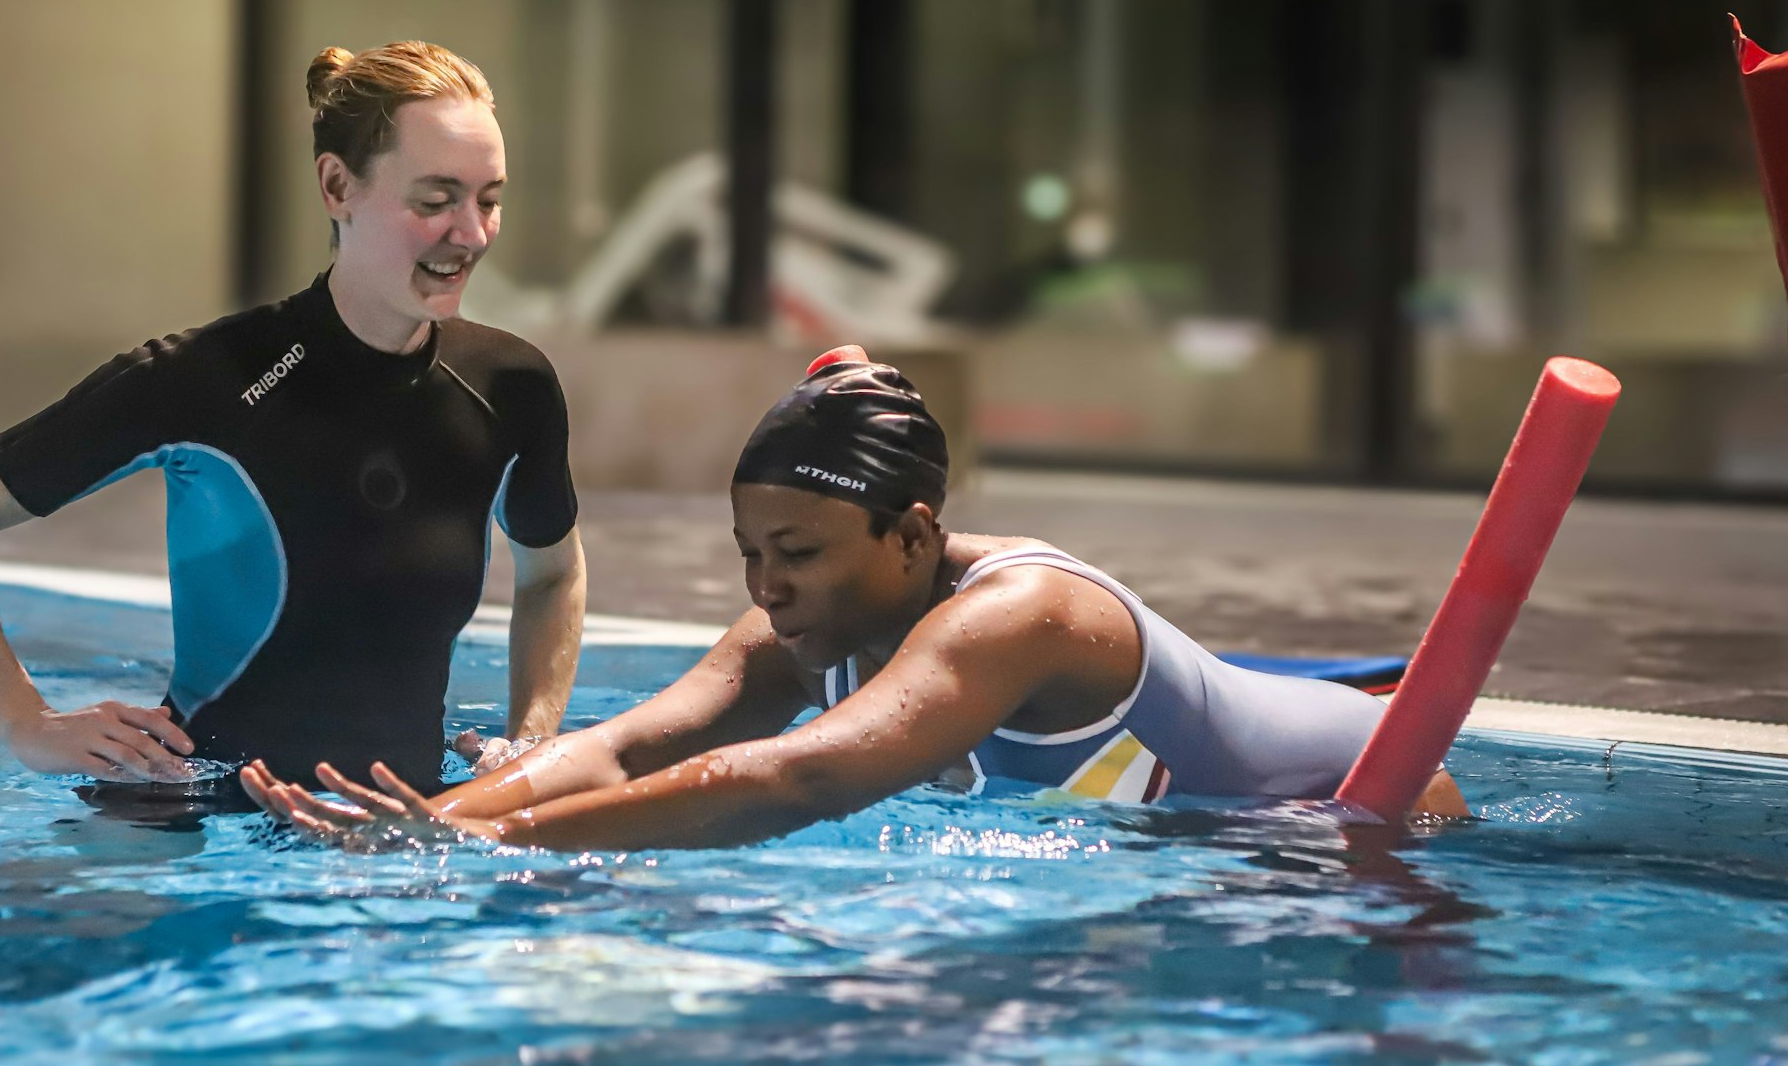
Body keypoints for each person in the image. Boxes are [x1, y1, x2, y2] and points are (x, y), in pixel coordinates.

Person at [242, 348, 1467, 850]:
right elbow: (617, 750)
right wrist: (423, 819)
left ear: (914, 532)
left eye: (800, 552)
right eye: (747, 551)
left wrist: (491, 845)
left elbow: (806, 777)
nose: (766, 586)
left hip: (1361, 808)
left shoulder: (1022, 614)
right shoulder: (798, 624)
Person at [0, 42, 584, 793]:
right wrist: (26, 720)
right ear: (337, 185)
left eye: (489, 199)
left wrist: (529, 743)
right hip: (202, 824)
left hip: (407, 828)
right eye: (435, 200)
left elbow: (553, 574)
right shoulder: (204, 379)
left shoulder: (510, 386)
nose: (471, 234)